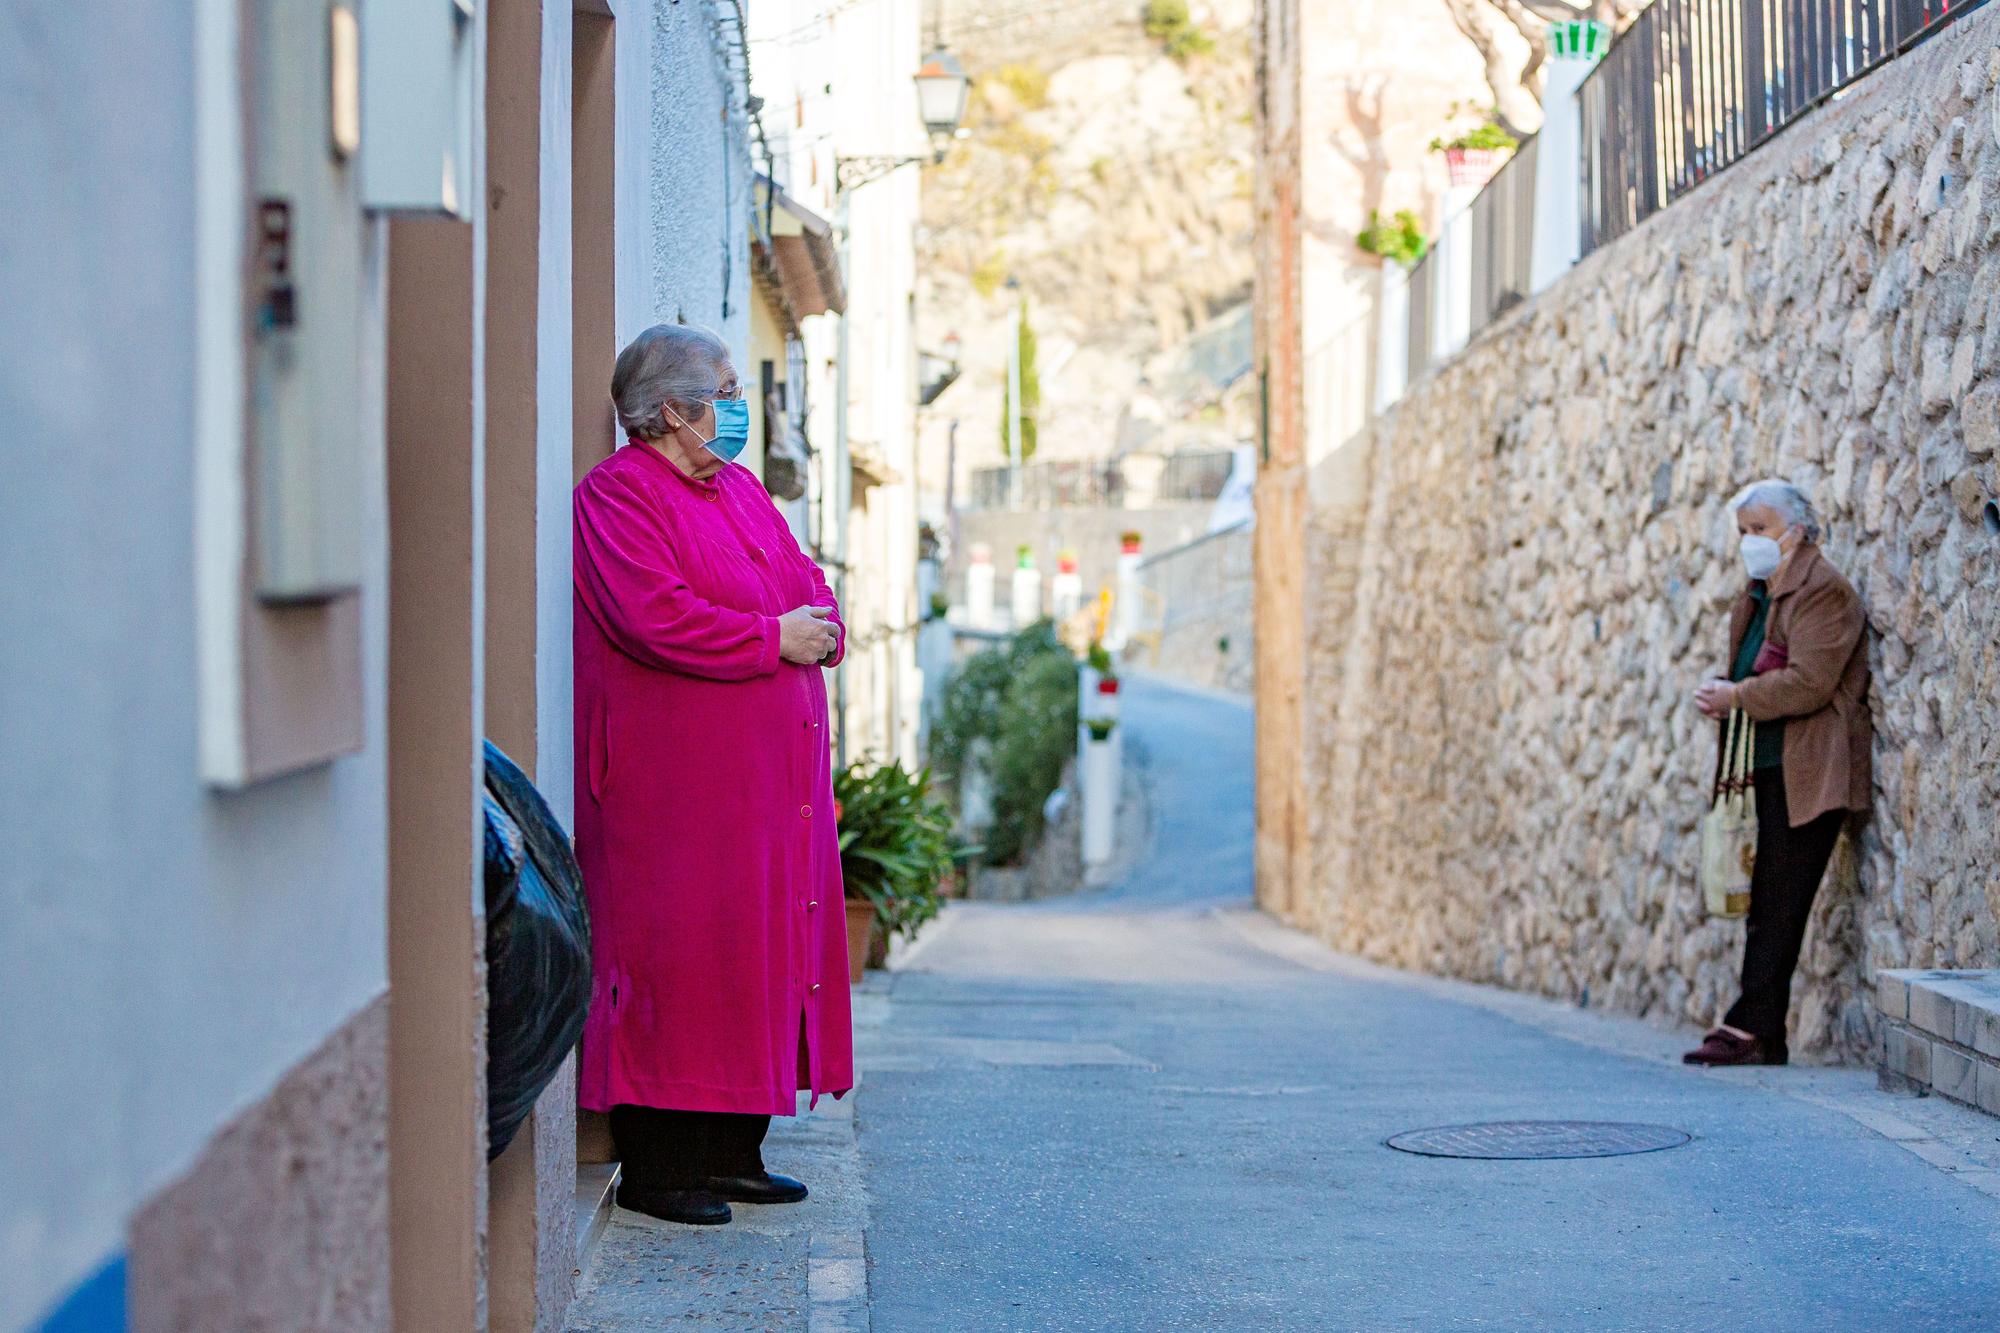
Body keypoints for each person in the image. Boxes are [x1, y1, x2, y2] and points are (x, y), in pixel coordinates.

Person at [572, 324, 854, 1225]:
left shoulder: (737, 487)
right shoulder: (618, 498)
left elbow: (809, 580)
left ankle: (735, 1151)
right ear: (669, 413)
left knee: (757, 958)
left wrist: (821, 625)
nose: (735, 413)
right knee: (683, 963)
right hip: (677, 797)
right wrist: (776, 638)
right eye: (723, 397)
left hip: (771, 799)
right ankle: (662, 1167)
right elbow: (654, 616)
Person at [1685, 480, 1871, 1067]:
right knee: (1765, 896)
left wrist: (1736, 696)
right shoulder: (1763, 591)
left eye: (1760, 529)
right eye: (1743, 532)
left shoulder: (1824, 591)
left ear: (1798, 529)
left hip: (1810, 769)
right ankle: (1759, 1030)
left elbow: (1811, 682)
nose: (1750, 542)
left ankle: (1752, 1028)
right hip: (1769, 763)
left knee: (1780, 898)